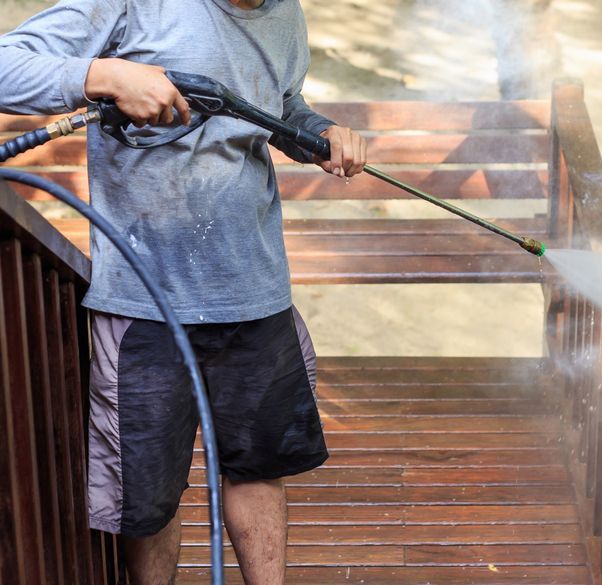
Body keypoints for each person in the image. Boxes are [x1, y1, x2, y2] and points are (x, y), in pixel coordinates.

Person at [0, 0, 366, 582]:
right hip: (146, 301)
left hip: (255, 290)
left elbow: (277, 104)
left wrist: (319, 132)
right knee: (148, 495)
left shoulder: (283, 14)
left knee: (258, 468)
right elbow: (6, 65)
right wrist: (108, 75)